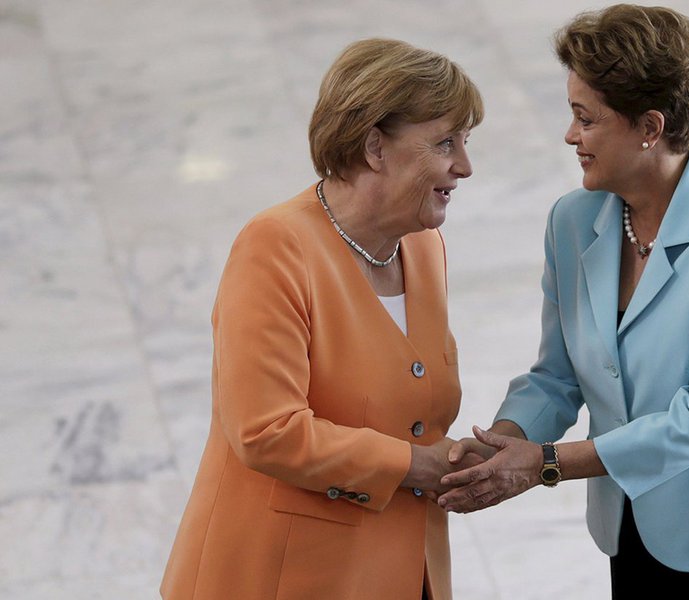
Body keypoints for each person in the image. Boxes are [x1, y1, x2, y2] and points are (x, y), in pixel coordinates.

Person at [439, 5, 689, 598]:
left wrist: (545, 462)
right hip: (637, 530)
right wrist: (502, 443)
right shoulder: (573, 220)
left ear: (650, 127)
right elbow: (557, 376)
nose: (570, 135)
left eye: (586, 118)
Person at [161, 38, 482, 600]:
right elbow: (266, 431)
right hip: (284, 577)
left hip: (407, 570)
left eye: (465, 141)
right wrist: (414, 465)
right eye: (444, 143)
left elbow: (413, 410)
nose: (465, 166)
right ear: (375, 147)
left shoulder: (424, 246)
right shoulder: (275, 246)